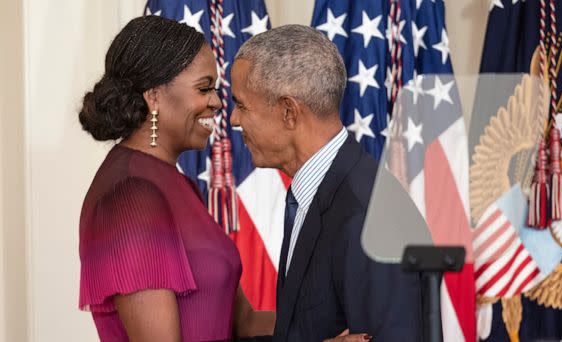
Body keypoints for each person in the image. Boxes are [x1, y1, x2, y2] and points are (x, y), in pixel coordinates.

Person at [78, 15, 274, 342]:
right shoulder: (131, 195)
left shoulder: (177, 184)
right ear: (153, 96)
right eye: (204, 88)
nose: (216, 101)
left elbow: (245, 323)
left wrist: (326, 330)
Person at [230, 25, 423, 342]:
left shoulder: (367, 218)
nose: (234, 120)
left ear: (289, 112)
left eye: (242, 105)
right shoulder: (321, 192)